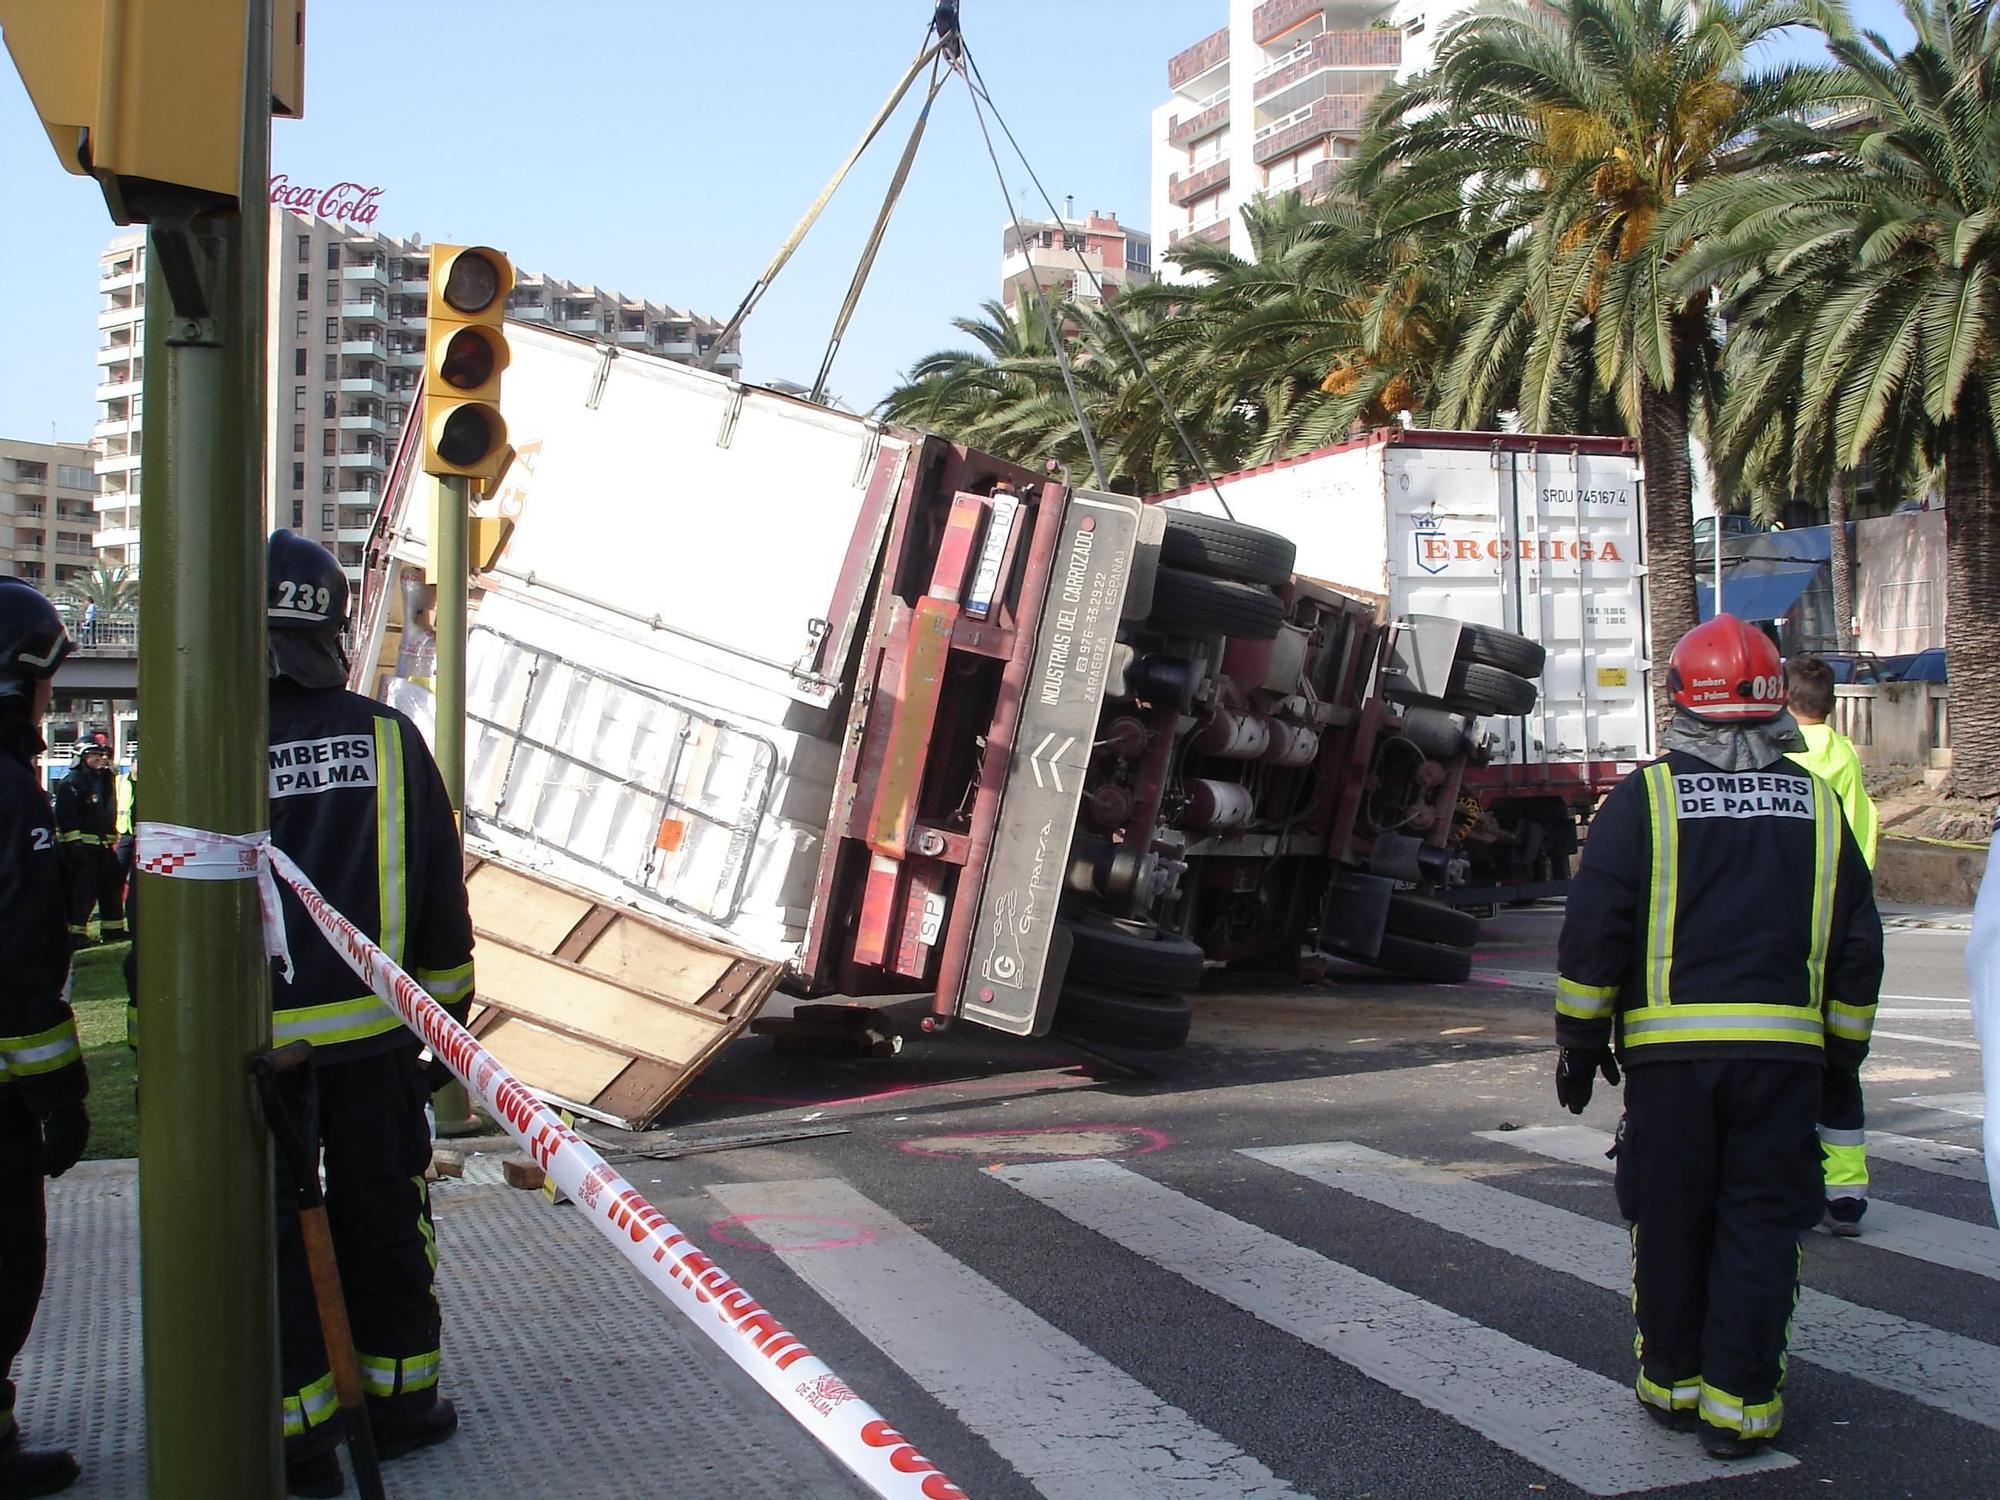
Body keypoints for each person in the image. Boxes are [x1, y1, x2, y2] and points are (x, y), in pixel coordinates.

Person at [1554, 614, 1882, 1458]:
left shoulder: (1644, 800)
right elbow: (1858, 947)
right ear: (1775, 705)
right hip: (1784, 1067)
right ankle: (1740, 1409)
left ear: (1677, 701)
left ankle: (1673, 1386)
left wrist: (1581, 1044)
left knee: (1669, 1222)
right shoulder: (1816, 803)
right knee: (1760, 1227)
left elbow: (1596, 932)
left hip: (1670, 1070)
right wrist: (1842, 1060)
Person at [258, 532, 474, 1497]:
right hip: (383, 1049)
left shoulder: (211, 742)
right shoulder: (391, 740)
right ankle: (396, 1405)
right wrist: (440, 1039)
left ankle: (300, 1433)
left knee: (267, 1240)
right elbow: (442, 909)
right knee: (386, 1221)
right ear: (333, 631)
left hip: (258, 1061)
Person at [0, 578, 87, 1497]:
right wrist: (59, 1093)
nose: (49, 704)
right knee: (7, 1263)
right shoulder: (13, 801)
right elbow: (22, 963)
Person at [1785, 654, 1880, 1235]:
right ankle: (1846, 1193)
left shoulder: (1778, 758)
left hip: (1792, 932)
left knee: (1787, 1063)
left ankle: (1792, 1180)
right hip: (1846, 929)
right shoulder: (1844, 757)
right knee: (1842, 1064)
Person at [51, 738, 123, 947]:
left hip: (102, 847)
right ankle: (76, 934)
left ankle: (113, 930)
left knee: (111, 887)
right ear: (81, 757)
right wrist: (74, 845)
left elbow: (106, 815)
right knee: (84, 891)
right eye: (95, 755)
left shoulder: (102, 780)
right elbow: (66, 817)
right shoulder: (71, 783)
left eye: (102, 754)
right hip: (81, 849)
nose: (101, 758)